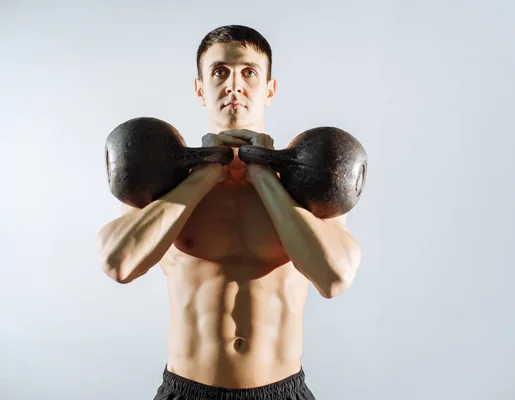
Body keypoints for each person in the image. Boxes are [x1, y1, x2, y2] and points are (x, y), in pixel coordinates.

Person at [96, 24, 362, 400]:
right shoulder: (165, 180)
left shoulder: (307, 182)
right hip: (187, 391)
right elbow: (117, 263)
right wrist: (204, 176)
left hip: (281, 391)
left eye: (249, 73)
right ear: (200, 89)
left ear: (269, 90)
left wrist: (264, 176)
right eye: (219, 72)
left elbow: (334, 277)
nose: (234, 85)